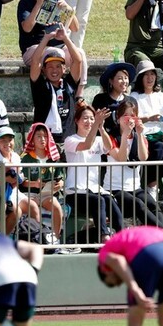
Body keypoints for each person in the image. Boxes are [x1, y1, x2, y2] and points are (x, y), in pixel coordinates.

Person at [18, 0, 86, 92]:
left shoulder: (58, 1)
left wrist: (67, 8)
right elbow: (27, 28)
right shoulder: (25, 3)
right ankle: (49, 92)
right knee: (54, 53)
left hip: (59, 46)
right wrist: (39, 3)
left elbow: (75, 28)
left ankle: (79, 94)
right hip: (35, 48)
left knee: (79, 53)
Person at [63, 102, 123, 242]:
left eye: (91, 118)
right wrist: (96, 123)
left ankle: (122, 235)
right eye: (85, 118)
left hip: (94, 189)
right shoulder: (70, 140)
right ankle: (104, 236)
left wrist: (100, 127)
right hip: (75, 191)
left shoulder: (98, 140)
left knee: (109, 200)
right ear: (77, 121)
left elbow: (109, 146)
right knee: (99, 200)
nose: (89, 122)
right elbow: (86, 145)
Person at [104, 97, 163, 229]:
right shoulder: (111, 137)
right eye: (125, 115)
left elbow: (143, 157)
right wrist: (125, 135)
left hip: (134, 187)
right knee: (138, 204)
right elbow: (122, 159)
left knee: (153, 204)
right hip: (115, 188)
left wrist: (139, 134)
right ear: (118, 118)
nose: (129, 119)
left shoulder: (139, 136)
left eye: (132, 115)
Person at [29, 28, 83, 144]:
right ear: (44, 69)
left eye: (58, 66)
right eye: (50, 67)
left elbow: (78, 61)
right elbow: (35, 62)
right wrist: (46, 38)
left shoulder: (69, 84)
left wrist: (66, 38)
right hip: (44, 141)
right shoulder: (40, 86)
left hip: (68, 140)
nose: (54, 70)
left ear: (64, 69)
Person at [130, 59, 163, 198]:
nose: (150, 78)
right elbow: (131, 118)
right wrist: (149, 118)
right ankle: (151, 186)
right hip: (141, 135)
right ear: (140, 78)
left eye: (152, 74)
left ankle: (153, 187)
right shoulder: (134, 97)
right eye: (146, 75)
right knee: (157, 148)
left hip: (161, 134)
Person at [20, 123, 66, 245]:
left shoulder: (53, 157)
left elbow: (61, 177)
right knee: (32, 206)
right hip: (30, 194)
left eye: (45, 136)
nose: (42, 139)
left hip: (47, 194)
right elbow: (22, 182)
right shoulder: (26, 158)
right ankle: (35, 238)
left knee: (57, 207)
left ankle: (55, 238)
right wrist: (34, 184)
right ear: (32, 139)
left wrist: (60, 184)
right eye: (39, 136)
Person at [0, 126, 36, 235]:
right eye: (3, 140)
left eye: (10, 140)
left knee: (33, 207)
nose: (7, 143)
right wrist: (6, 179)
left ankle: (35, 238)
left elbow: (21, 177)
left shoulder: (16, 157)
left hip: (14, 192)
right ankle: (1, 240)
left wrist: (16, 179)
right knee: (16, 211)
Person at [91, 61, 135, 139]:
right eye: (120, 78)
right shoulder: (100, 99)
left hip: (126, 140)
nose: (124, 81)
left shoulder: (131, 101)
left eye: (126, 78)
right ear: (111, 81)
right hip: (104, 140)